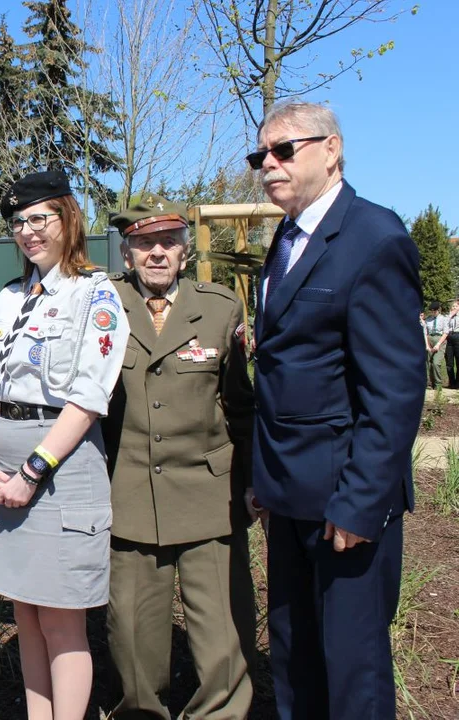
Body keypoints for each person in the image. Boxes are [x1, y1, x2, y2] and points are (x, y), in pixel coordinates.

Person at [249, 102, 423, 720]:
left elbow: (395, 391)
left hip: (343, 500)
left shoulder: (375, 239)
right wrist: (263, 482)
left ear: (332, 150)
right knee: (295, 658)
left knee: (354, 671)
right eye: (260, 155)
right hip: (288, 495)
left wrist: (359, 501)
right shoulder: (287, 238)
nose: (268, 164)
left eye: (283, 150)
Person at [0, 170, 128, 720]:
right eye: (18, 222)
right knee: (26, 614)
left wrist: (33, 470)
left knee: (61, 617)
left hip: (60, 460)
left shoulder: (94, 293)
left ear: (68, 219)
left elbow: (88, 395)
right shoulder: (10, 298)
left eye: (40, 218)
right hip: (3, 453)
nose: (28, 230)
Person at [102, 195, 257, 718]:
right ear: (127, 255)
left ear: (185, 253)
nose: (157, 253)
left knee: (223, 635)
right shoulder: (101, 306)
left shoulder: (218, 309)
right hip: (130, 495)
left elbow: (241, 406)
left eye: (168, 242)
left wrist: (252, 482)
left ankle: (221, 713)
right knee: (132, 636)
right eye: (144, 243)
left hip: (209, 495)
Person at [424, 301, 447, 389]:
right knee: (428, 363)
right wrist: (427, 345)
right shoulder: (428, 319)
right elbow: (425, 333)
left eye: (435, 311)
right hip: (430, 339)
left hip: (439, 340)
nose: (433, 313)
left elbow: (445, 332)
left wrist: (438, 344)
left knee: (436, 363)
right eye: (431, 311)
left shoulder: (444, 319)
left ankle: (438, 384)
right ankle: (430, 383)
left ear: (438, 310)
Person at [445, 301, 459, 388]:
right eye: (453, 306)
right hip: (449, 337)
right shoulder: (447, 316)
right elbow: (444, 325)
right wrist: (450, 316)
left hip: (458, 336)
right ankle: (451, 382)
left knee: (458, 361)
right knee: (449, 363)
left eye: (456, 306)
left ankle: (458, 383)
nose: (454, 308)